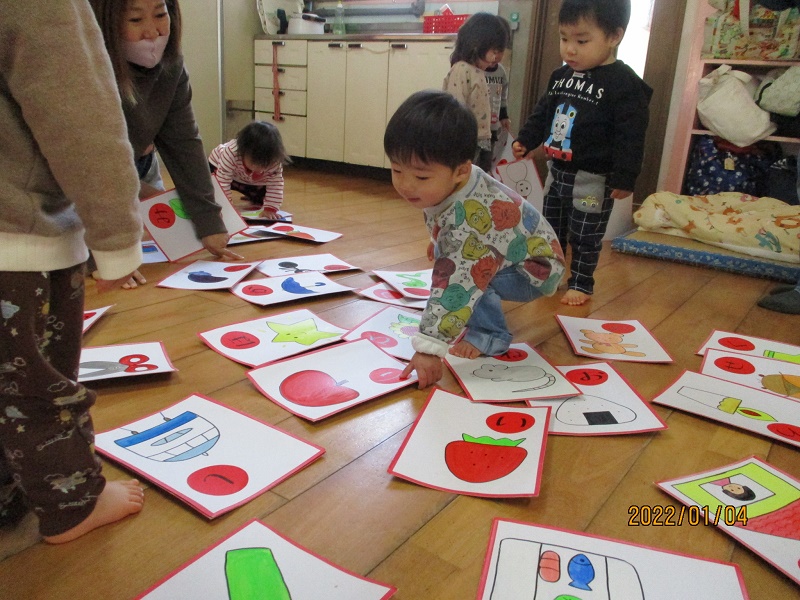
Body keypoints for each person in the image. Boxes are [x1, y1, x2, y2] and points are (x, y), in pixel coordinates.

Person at [0, 1, 145, 548]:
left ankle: (8, 489)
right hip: (19, 244)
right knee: (36, 387)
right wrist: (116, 240)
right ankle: (71, 505)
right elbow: (81, 117)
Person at [385, 91, 566, 389]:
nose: (405, 185)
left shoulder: (467, 219)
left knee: (472, 275)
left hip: (537, 270)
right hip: (522, 252)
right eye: (396, 170)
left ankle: (491, 335)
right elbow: (448, 221)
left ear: (460, 171)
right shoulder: (461, 180)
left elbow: (460, 277)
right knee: (468, 261)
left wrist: (430, 347)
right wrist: (440, 239)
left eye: (421, 177)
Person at [90, 0, 243, 288]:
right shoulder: (89, 69)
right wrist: (107, 252)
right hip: (81, 178)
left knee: (160, 229)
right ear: (107, 24)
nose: (152, 32)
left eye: (161, 15)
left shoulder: (171, 68)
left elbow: (184, 144)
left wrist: (209, 221)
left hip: (139, 162)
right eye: (135, 21)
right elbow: (86, 168)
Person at [513, 0, 652, 306]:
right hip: (558, 176)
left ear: (614, 37)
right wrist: (526, 139)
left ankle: (581, 282)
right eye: (564, 39)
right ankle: (550, 276)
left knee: (585, 233)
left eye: (582, 41)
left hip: (592, 183)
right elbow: (544, 113)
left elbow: (631, 135)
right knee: (551, 229)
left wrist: (626, 175)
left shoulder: (625, 85)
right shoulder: (561, 76)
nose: (570, 50)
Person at [443, 12, 510, 173]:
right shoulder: (461, 70)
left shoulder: (478, 71)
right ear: (477, 45)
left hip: (482, 138)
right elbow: (455, 108)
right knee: (466, 180)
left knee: (480, 179)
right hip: (467, 141)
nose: (496, 57)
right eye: (493, 51)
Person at [208, 121, 288, 218]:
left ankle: (250, 194)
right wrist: (227, 208)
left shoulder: (274, 160)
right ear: (243, 151)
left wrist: (270, 208)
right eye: (255, 163)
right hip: (219, 169)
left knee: (264, 198)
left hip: (251, 181)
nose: (260, 170)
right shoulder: (230, 152)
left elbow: (276, 184)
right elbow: (223, 181)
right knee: (211, 190)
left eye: (265, 165)